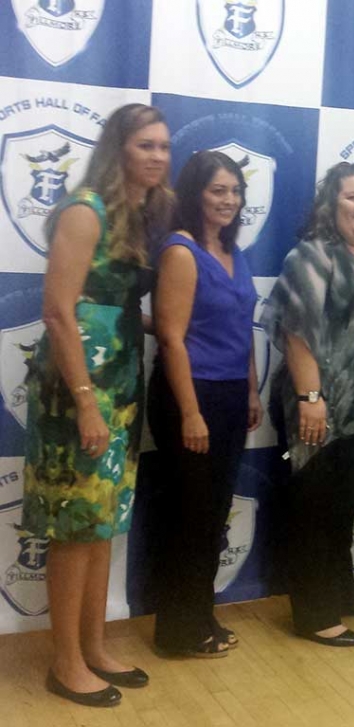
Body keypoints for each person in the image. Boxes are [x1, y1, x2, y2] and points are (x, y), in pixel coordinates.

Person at [21, 104, 173, 707]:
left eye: (164, 146)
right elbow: (59, 311)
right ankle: (64, 663)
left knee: (102, 523)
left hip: (120, 387)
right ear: (119, 149)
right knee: (74, 525)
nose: (158, 156)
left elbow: (103, 302)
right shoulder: (85, 210)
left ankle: (94, 647)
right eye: (145, 145)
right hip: (77, 391)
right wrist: (86, 403)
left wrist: (165, 324)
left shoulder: (135, 215)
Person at [260, 162, 354, 646]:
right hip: (323, 409)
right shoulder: (314, 256)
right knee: (315, 511)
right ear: (331, 204)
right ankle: (313, 612)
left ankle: (342, 587)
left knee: (343, 507)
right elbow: (296, 330)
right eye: (352, 197)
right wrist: (311, 398)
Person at [149, 151, 262, 657]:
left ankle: (201, 616)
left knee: (213, 516)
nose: (229, 200)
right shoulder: (181, 252)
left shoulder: (235, 254)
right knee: (188, 517)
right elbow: (171, 340)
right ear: (196, 193)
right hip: (188, 397)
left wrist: (253, 390)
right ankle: (176, 631)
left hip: (233, 394)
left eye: (235, 191)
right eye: (218, 190)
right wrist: (191, 413)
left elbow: (243, 328)